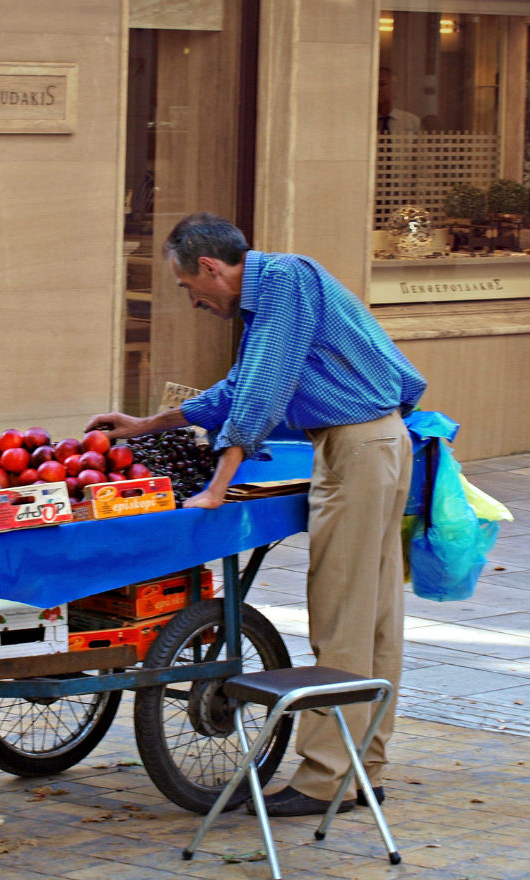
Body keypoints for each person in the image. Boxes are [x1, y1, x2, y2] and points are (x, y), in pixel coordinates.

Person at [87, 212, 426, 817]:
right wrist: (149, 423)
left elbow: (261, 397)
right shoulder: (275, 295)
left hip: (359, 447)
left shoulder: (287, 284)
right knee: (372, 615)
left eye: (190, 289)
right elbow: (238, 387)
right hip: (373, 443)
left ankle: (326, 778)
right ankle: (362, 768)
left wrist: (216, 488)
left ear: (212, 268)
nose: (193, 302)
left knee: (344, 613)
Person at [377, 66, 421, 133]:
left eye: (382, 84)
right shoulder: (363, 121)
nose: (377, 89)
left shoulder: (411, 121)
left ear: (395, 88)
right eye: (374, 84)